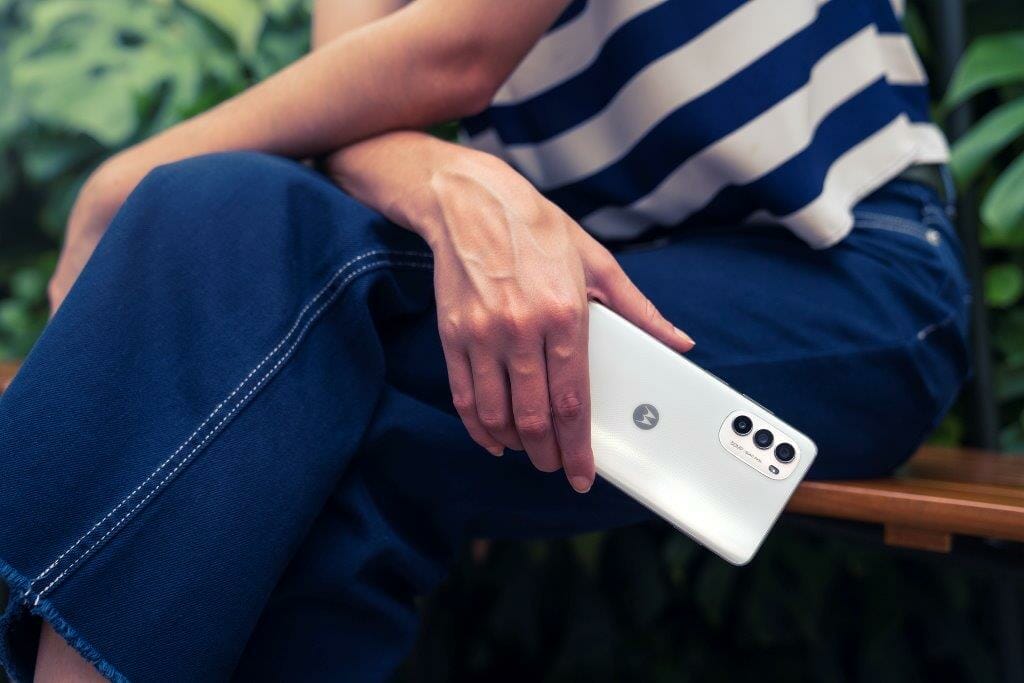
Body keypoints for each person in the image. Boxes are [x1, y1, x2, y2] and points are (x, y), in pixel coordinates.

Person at [0, 1, 970, 680]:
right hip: (574, 280)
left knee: (226, 228)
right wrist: (435, 176)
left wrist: (122, 181)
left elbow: (451, 55)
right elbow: (364, 107)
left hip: (843, 275)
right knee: (310, 409)